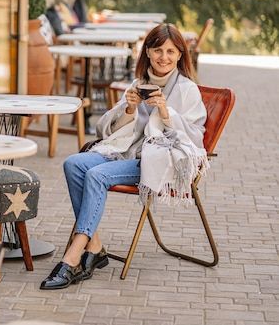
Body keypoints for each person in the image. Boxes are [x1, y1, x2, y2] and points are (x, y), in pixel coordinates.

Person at [40, 23, 208, 290]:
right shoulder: (138, 84)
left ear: (179, 55)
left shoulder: (187, 89)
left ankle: (73, 256)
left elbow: (197, 139)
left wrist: (167, 114)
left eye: (171, 51)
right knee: (73, 163)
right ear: (148, 53)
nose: (164, 57)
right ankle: (94, 247)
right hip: (126, 154)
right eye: (157, 50)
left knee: (96, 175)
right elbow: (109, 131)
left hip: (157, 161)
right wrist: (129, 109)